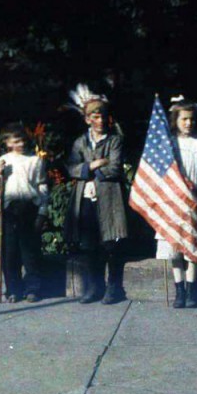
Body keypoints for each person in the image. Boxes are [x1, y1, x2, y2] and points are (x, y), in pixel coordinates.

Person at [63, 84, 128, 305]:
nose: (101, 121)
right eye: (96, 117)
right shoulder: (80, 142)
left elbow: (115, 168)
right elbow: (71, 167)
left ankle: (114, 287)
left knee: (111, 243)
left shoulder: (114, 140)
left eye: (104, 117)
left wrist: (94, 169)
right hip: (86, 198)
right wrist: (92, 165)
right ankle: (94, 287)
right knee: (88, 244)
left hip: (109, 199)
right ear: (88, 119)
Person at [155, 96, 197, 309]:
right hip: (173, 205)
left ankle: (191, 290)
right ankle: (179, 289)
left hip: (194, 205)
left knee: (192, 247)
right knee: (174, 250)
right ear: (175, 120)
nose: (188, 123)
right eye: (183, 120)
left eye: (191, 119)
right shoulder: (169, 145)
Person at [0, 123, 48, 303]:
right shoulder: (3, 160)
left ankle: (33, 289)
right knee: (10, 252)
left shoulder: (35, 161)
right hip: (9, 209)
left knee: (29, 250)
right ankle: (13, 289)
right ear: (8, 143)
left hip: (28, 207)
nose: (21, 144)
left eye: (22, 140)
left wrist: (43, 209)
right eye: (16, 141)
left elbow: (42, 186)